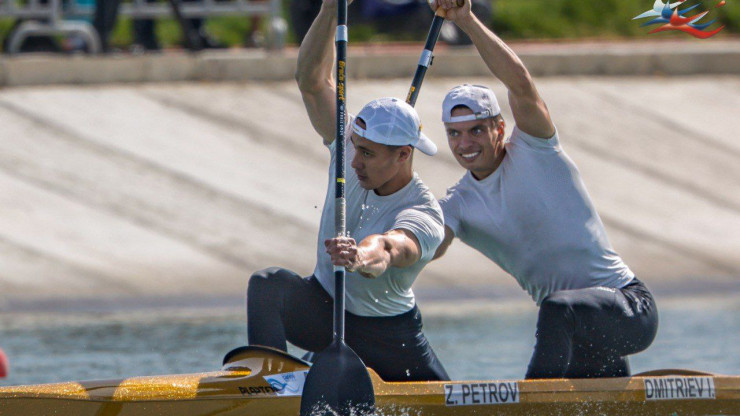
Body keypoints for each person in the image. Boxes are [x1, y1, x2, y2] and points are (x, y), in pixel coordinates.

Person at [430, 0, 659, 379]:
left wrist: (466, 21)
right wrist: (376, 252)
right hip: (580, 333)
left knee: (556, 309)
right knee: (562, 320)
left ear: (499, 129)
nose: (465, 143)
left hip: (630, 308)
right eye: (454, 134)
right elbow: (423, 246)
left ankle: (529, 406)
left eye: (476, 130)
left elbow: (520, 82)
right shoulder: (457, 204)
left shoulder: (536, 148)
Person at [245, 0, 449, 382]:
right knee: (268, 285)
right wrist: (329, 8)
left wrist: (358, 257)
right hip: (325, 311)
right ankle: (267, 387)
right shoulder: (350, 146)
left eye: (368, 154)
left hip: (389, 336)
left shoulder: (425, 212)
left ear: (404, 155)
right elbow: (310, 80)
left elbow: (390, 248)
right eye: (355, 147)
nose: (354, 162)